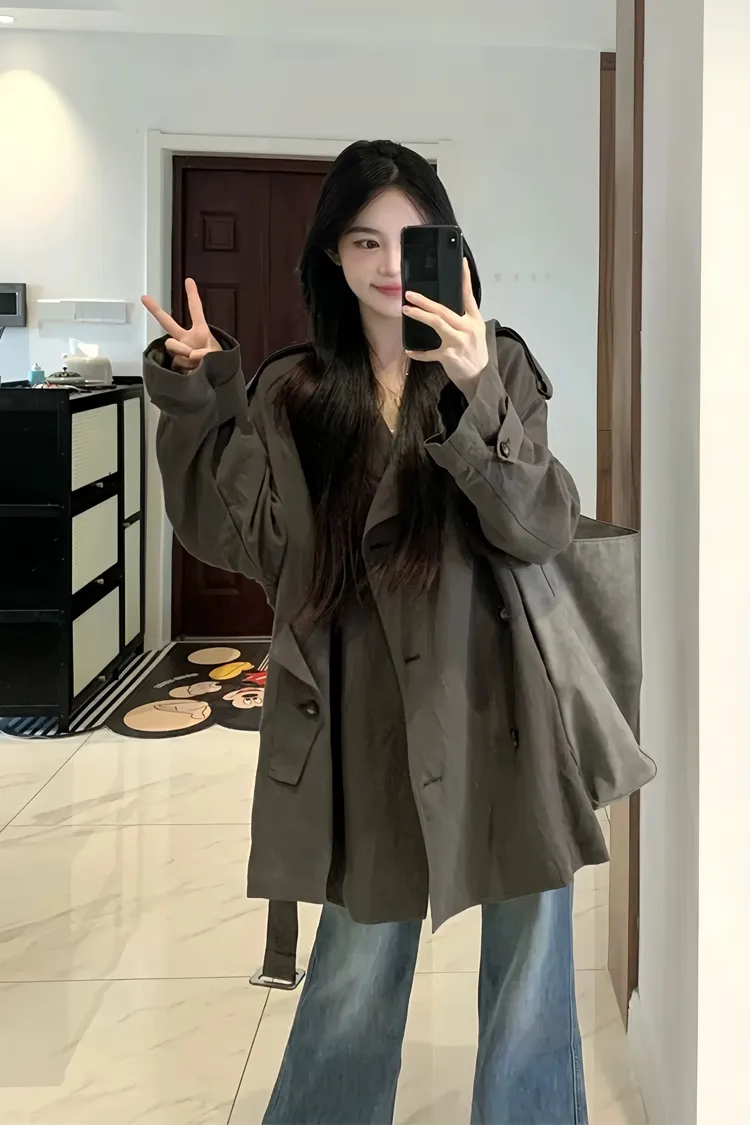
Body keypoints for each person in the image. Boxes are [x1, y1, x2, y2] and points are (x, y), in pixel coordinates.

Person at [143, 139, 607, 1125]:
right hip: (365, 720)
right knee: (353, 979)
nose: (390, 264)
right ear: (333, 256)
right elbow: (233, 533)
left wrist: (478, 389)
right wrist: (199, 391)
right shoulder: (297, 391)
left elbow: (540, 528)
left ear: (449, 245)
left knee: (531, 984)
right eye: (364, 241)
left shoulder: (500, 363)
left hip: (503, 710)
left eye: (411, 238)